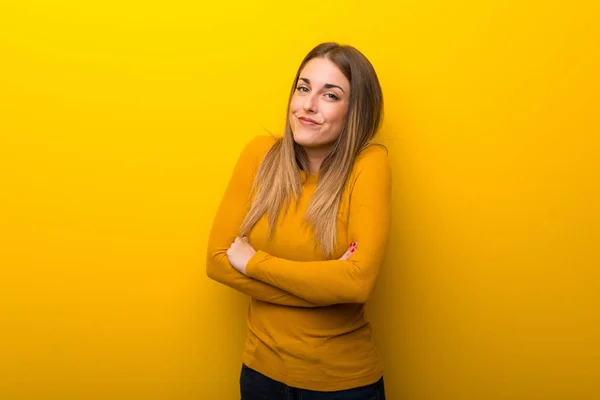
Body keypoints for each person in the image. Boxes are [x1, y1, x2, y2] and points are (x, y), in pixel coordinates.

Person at [206, 42, 391, 399]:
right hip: (260, 377)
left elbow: (356, 284)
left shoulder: (369, 166)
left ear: (355, 111)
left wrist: (253, 263)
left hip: (343, 386)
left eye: (330, 95)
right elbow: (216, 261)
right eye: (303, 88)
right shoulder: (260, 155)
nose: (308, 105)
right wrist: (323, 288)